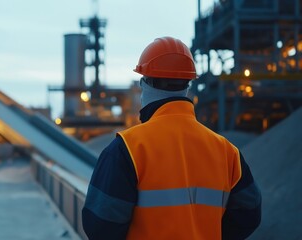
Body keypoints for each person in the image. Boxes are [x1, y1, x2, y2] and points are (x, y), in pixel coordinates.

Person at [82, 37, 261, 240]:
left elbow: (100, 226)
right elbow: (250, 213)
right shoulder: (227, 151)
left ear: (146, 83)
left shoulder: (127, 148)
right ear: (187, 84)